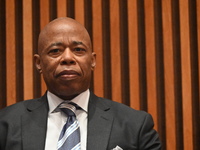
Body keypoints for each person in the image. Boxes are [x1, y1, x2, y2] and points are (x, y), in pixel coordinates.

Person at [0, 17, 161, 150]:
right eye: (55, 51)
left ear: (92, 60)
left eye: (78, 50)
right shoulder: (5, 124)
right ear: (38, 63)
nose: (67, 58)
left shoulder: (135, 126)